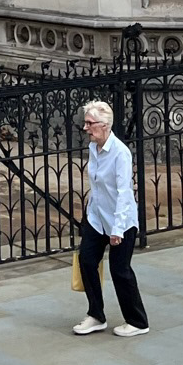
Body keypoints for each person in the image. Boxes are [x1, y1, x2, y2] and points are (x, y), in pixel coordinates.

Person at [72, 99, 150, 338]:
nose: (86, 128)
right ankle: (96, 315)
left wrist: (117, 230)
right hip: (97, 218)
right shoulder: (93, 148)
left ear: (104, 125)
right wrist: (90, 215)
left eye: (90, 123)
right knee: (86, 261)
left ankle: (137, 321)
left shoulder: (120, 153)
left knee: (120, 270)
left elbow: (124, 193)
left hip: (120, 221)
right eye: (85, 123)